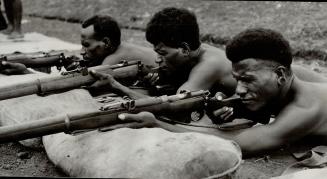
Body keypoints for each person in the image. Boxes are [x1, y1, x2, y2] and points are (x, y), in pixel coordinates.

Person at [105, 28, 327, 157]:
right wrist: (230, 104)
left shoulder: (306, 109)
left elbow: (239, 143)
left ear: (280, 75)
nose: (239, 89)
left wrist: (157, 124)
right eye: (238, 80)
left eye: (248, 80)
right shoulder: (291, 75)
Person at [90, 7, 237, 99]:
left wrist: (116, 86)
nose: (158, 60)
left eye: (162, 54)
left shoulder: (208, 66)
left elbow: (172, 107)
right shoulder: (194, 51)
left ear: (184, 49)